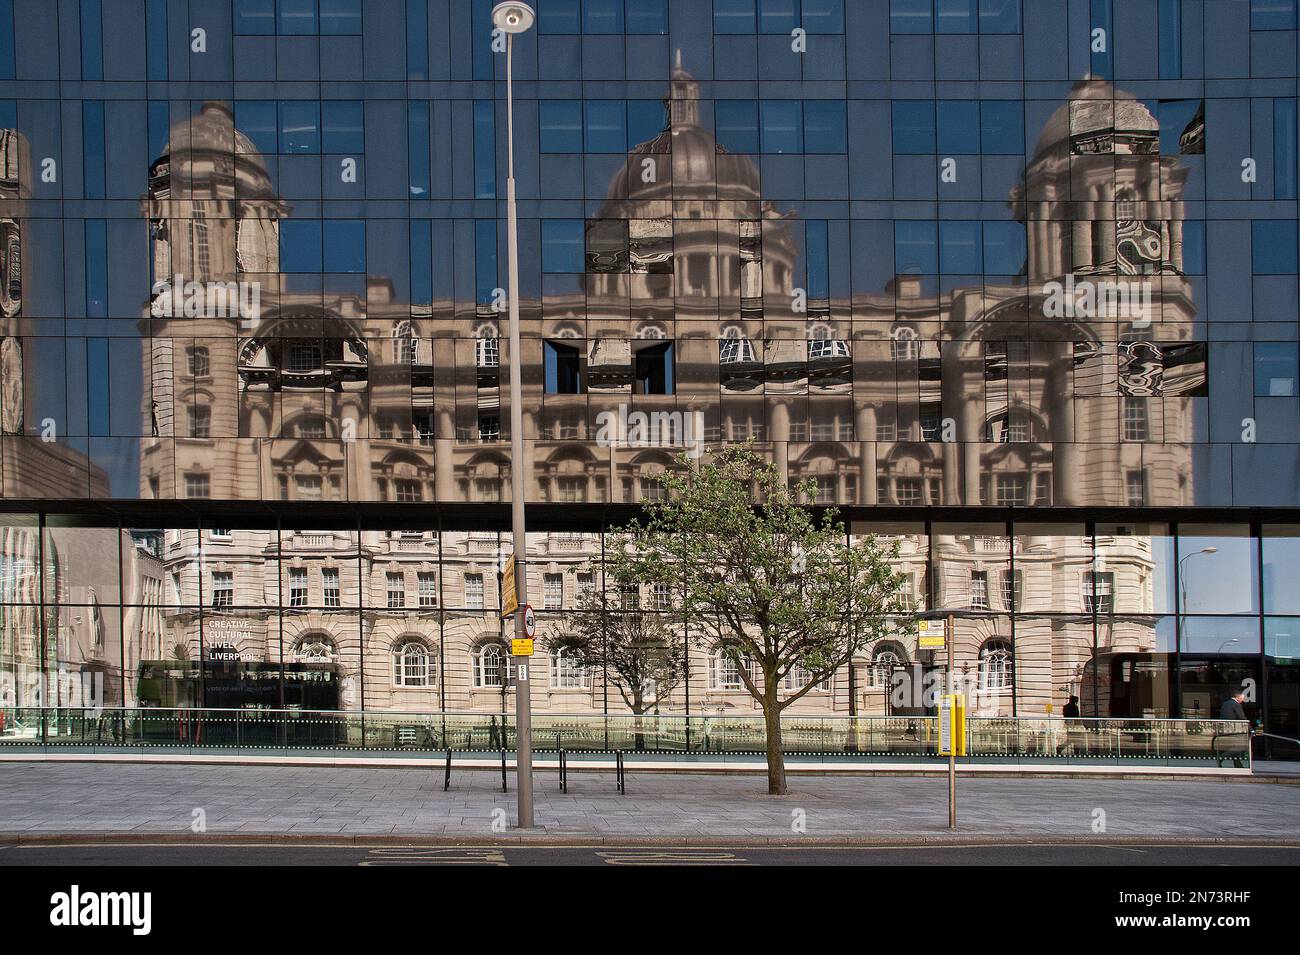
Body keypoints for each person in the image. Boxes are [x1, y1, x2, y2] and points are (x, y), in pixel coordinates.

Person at [1216, 690, 1249, 768]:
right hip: (1235, 729)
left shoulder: (1225, 703)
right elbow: (1242, 718)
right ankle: (1221, 758)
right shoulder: (1236, 704)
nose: (1242, 700)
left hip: (1226, 729)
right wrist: (1250, 728)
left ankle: (1238, 764)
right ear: (1238, 697)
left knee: (1235, 746)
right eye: (1242, 698)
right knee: (1240, 746)